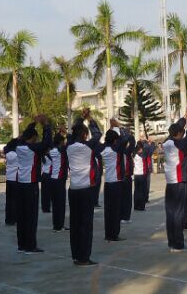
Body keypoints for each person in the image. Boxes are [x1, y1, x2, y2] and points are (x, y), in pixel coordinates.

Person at [66, 109, 105, 266]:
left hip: (73, 189)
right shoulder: (89, 147)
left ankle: (76, 255)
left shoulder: (68, 145)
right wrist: (90, 119)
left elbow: (74, 132)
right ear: (84, 135)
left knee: (75, 224)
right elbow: (98, 133)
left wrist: (81, 119)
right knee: (86, 224)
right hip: (86, 190)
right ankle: (84, 257)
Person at [11, 116, 53, 254]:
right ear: (34, 138)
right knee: (31, 216)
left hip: (20, 184)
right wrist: (45, 125)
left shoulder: (18, 146)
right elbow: (47, 142)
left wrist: (33, 123)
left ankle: (21, 245)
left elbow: (25, 136)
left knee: (21, 216)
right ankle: (30, 246)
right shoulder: (33, 149)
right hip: (31, 185)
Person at [162, 106, 187, 252]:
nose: (183, 135)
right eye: (181, 133)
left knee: (170, 214)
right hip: (179, 182)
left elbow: (176, 130)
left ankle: (172, 242)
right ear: (178, 134)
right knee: (179, 213)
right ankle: (178, 244)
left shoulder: (167, 142)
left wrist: (184, 118)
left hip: (170, 183)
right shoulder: (180, 144)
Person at [101, 120, 131, 242]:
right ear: (115, 141)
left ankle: (108, 234)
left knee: (108, 210)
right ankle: (114, 235)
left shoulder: (104, 149)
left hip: (107, 183)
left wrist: (111, 128)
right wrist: (118, 126)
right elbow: (126, 137)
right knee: (116, 210)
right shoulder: (116, 150)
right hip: (116, 182)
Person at [48, 129, 69, 232]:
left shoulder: (52, 150)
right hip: (60, 180)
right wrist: (66, 133)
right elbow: (71, 142)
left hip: (53, 178)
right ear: (61, 142)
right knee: (60, 204)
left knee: (55, 204)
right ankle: (59, 226)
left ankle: (56, 225)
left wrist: (58, 133)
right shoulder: (61, 151)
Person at [132, 136, 155, 211]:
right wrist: (150, 142)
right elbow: (150, 149)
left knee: (136, 191)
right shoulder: (143, 154)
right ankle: (141, 207)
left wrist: (144, 141)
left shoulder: (134, 154)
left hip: (136, 174)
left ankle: (136, 206)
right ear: (141, 148)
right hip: (142, 174)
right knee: (142, 191)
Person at [119, 125, 136, 224]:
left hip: (122, 176)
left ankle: (123, 216)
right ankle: (124, 216)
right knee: (126, 198)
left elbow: (132, 143)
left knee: (123, 198)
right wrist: (127, 134)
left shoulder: (120, 150)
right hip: (124, 176)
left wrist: (126, 134)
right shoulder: (124, 151)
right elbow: (132, 142)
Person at [3, 142, 19, 226]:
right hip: (15, 178)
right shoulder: (17, 155)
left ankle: (8, 219)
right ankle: (14, 219)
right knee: (15, 200)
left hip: (8, 178)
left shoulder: (8, 154)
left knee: (8, 200)